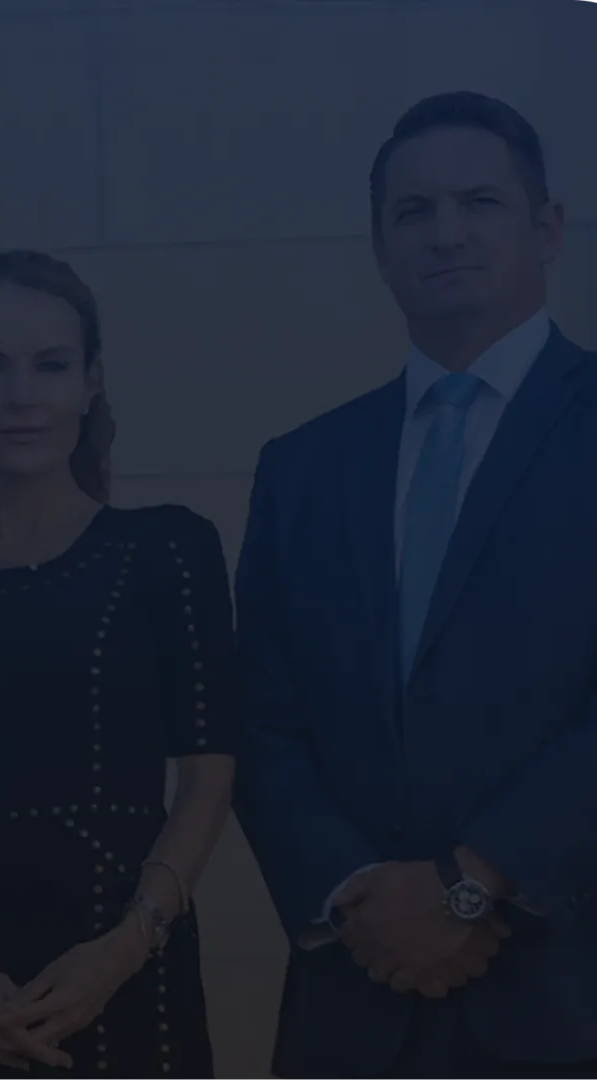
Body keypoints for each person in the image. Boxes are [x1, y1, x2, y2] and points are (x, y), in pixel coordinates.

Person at [234, 90, 597, 1079]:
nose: (446, 233)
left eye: (480, 202)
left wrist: (472, 885)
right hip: (355, 1008)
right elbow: (263, 717)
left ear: (547, 227)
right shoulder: (302, 469)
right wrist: (361, 897)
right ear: (380, 246)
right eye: (414, 211)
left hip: (568, 995)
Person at [0, 250, 238, 1078]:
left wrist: (127, 945)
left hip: (134, 979)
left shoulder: (168, 550)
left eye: (51, 365)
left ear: (92, 380)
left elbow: (209, 778)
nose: (21, 395)